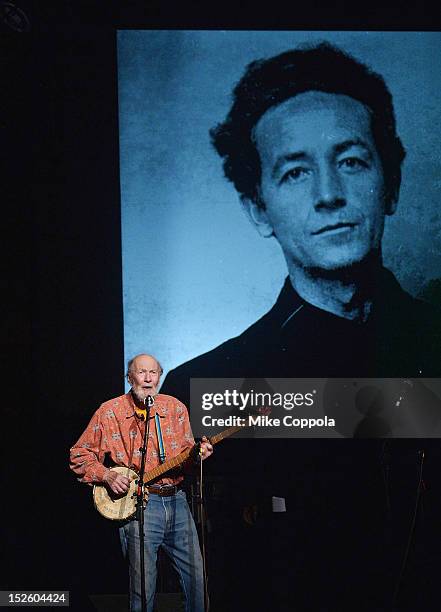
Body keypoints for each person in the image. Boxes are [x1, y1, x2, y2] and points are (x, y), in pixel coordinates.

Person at [159, 43, 441, 610]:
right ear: (258, 208)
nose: (329, 194)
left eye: (352, 160)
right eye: (294, 172)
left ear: (392, 182)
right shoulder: (199, 393)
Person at [70, 353, 213, 612]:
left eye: (153, 373)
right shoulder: (110, 411)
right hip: (139, 506)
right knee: (143, 588)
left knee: (197, 582)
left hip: (178, 501)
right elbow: (79, 454)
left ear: (159, 376)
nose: (147, 378)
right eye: (141, 372)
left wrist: (199, 455)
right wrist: (107, 475)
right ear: (129, 377)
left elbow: (187, 458)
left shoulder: (175, 408)